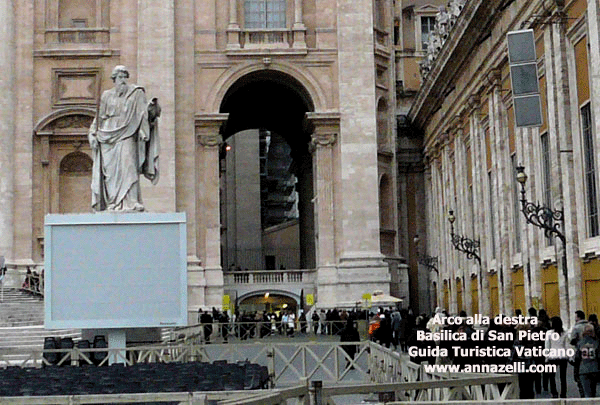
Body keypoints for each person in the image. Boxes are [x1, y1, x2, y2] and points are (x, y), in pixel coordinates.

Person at [88, 65, 160, 211]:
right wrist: (92, 133)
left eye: (125, 77)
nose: (123, 81)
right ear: (114, 79)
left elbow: (144, 113)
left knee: (129, 165)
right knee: (110, 174)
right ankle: (112, 203)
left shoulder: (136, 93)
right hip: (107, 137)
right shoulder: (106, 95)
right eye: (120, 77)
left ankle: (131, 201)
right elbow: (99, 119)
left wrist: (152, 109)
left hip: (128, 133)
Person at [576, 324, 599, 398]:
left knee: (587, 393)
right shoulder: (596, 342)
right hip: (594, 369)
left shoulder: (580, 343)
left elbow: (577, 358)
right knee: (593, 392)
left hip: (583, 369)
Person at [570, 310, 589, 397]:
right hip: (589, 350)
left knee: (577, 374)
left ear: (578, 317)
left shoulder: (576, 328)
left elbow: (572, 340)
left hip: (579, 352)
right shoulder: (589, 326)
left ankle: (582, 393)